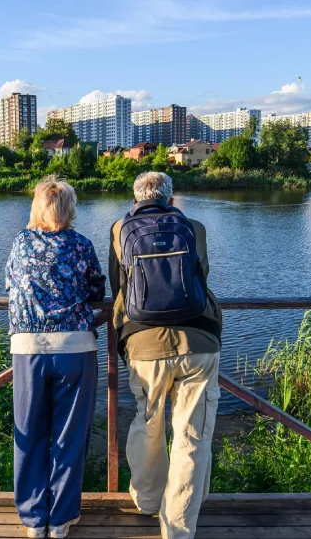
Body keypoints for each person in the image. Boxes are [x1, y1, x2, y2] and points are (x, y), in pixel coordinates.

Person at [109, 171, 222, 539]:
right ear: (171, 199)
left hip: (143, 345)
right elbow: (202, 276)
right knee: (192, 436)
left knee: (148, 423)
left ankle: (147, 501)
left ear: (135, 199)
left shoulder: (119, 229)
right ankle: (178, 528)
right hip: (199, 342)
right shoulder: (194, 227)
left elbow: (119, 288)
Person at [6, 176, 106, 539]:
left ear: (37, 207)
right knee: (70, 435)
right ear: (69, 208)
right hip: (74, 347)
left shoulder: (21, 242)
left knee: (30, 431)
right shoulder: (81, 244)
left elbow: (9, 283)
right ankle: (61, 519)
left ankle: (34, 519)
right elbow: (97, 289)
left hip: (29, 348)